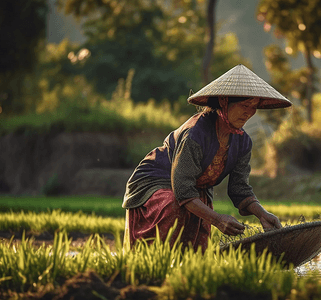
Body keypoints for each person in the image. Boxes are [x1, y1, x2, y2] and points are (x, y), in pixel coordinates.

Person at [122, 64, 292, 251]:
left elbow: (239, 188)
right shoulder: (195, 134)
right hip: (155, 184)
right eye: (244, 105)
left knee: (195, 241)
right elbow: (182, 190)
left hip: (192, 190)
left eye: (253, 107)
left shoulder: (243, 142)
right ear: (224, 102)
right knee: (175, 206)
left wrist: (262, 214)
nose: (248, 113)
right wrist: (217, 219)